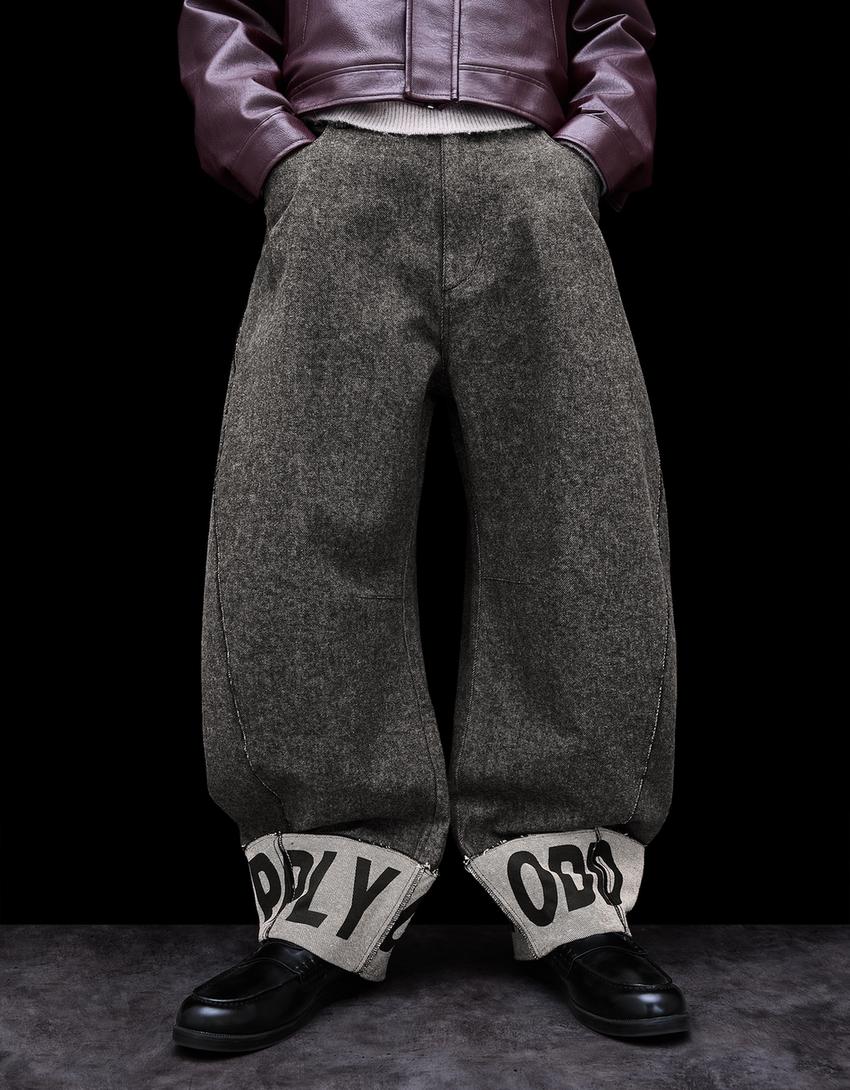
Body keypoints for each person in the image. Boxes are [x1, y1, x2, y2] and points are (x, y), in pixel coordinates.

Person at [174, 0, 689, 1052]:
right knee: (296, 523)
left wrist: (583, 159)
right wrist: (279, 158)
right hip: (338, 164)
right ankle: (321, 897)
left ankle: (573, 891)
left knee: (581, 520)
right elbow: (221, 14)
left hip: (529, 170)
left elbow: (615, 20)